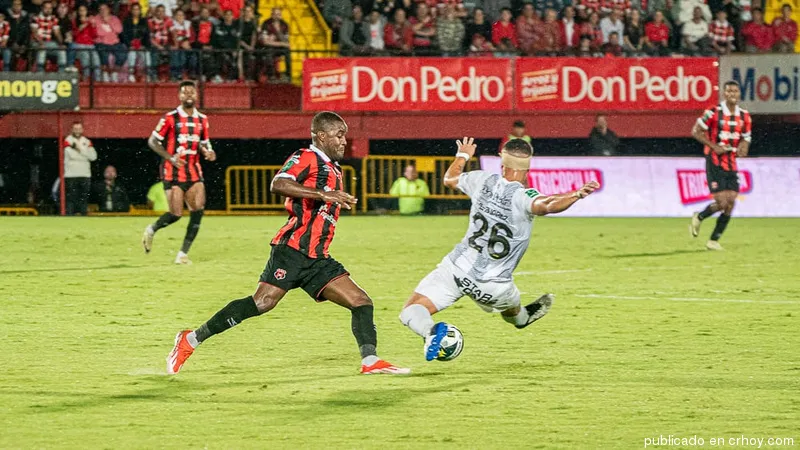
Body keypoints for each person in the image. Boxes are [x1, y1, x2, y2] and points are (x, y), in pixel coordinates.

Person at [166, 111, 410, 376]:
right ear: (321, 135)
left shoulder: (334, 169)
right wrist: (323, 194)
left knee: (361, 301)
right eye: (339, 135)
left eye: (345, 135)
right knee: (262, 303)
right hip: (291, 250)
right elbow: (279, 183)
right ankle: (190, 340)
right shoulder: (306, 157)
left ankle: (370, 361)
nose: (344, 141)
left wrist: (332, 200)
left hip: (318, 257)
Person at [398, 137, 599, 361]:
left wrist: (463, 155)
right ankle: (523, 318)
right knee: (513, 313)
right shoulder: (525, 196)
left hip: (456, 269)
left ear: (502, 165)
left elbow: (450, 179)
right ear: (528, 169)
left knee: (411, 310)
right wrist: (576, 194)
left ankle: (431, 333)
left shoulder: (481, 180)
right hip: (494, 286)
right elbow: (547, 205)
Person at [142, 81, 216, 264]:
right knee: (175, 214)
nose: (188, 95)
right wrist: (170, 158)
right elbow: (153, 141)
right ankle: (152, 229)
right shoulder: (170, 118)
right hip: (173, 172)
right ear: (179, 96)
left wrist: (208, 151)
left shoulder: (202, 119)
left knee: (198, 209)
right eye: (185, 92)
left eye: (192, 92)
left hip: (194, 171)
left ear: (196, 95)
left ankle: (182, 254)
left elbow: (204, 142)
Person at [689, 81, 751, 251]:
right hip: (714, 160)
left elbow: (746, 136)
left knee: (731, 202)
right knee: (722, 202)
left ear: (739, 94)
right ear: (724, 94)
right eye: (729, 91)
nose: (732, 94)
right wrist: (713, 145)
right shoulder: (713, 112)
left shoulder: (745, 116)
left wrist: (744, 147)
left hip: (731, 161)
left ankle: (713, 240)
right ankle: (699, 217)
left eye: (735, 91)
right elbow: (695, 131)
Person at [63, 121, 97, 215]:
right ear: (72, 130)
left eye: (79, 128)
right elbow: (71, 154)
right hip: (71, 175)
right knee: (71, 199)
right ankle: (69, 218)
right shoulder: (67, 140)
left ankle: (83, 218)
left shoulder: (87, 141)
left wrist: (79, 149)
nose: (77, 131)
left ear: (82, 130)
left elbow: (93, 157)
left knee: (84, 198)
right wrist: (85, 153)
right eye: (75, 129)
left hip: (85, 174)